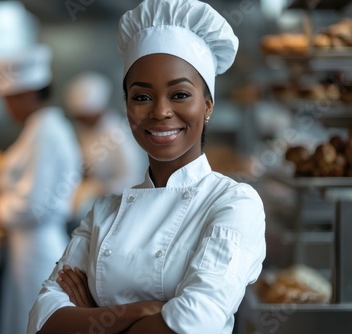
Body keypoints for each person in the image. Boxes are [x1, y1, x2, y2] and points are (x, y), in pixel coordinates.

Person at [27, 0, 266, 333]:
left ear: (207, 104)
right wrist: (145, 310)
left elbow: (193, 325)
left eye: (180, 94)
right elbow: (42, 319)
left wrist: (96, 315)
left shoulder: (234, 203)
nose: (160, 112)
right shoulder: (104, 211)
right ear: (126, 107)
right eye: (141, 97)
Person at [0, 44, 82, 334]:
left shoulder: (46, 132)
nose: (7, 108)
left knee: (36, 323)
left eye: (9, 100)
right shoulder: (41, 128)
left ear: (27, 93)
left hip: (38, 249)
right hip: (28, 247)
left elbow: (34, 205)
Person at [64, 71, 147, 222]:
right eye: (78, 117)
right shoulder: (84, 130)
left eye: (84, 117)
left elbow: (132, 178)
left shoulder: (117, 134)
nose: (80, 122)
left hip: (117, 208)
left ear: (97, 110)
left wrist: (99, 189)